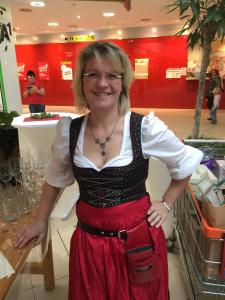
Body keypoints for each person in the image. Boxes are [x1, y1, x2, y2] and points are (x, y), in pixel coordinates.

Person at [13, 42, 203, 300]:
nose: (102, 83)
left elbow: (186, 163)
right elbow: (55, 179)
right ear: (81, 81)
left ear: (123, 82)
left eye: (112, 75)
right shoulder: (70, 132)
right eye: (93, 74)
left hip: (137, 242)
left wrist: (167, 204)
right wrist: (40, 219)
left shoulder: (144, 128)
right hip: (89, 244)